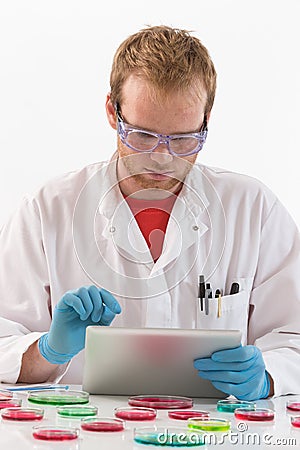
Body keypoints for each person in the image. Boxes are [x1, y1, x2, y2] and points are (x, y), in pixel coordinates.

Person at [0, 25, 299, 400]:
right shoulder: (47, 210)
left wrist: (267, 375)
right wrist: (48, 351)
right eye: (142, 135)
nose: (161, 158)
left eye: (183, 139)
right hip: (80, 435)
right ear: (112, 111)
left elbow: (294, 337)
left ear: (207, 121)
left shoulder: (253, 209)